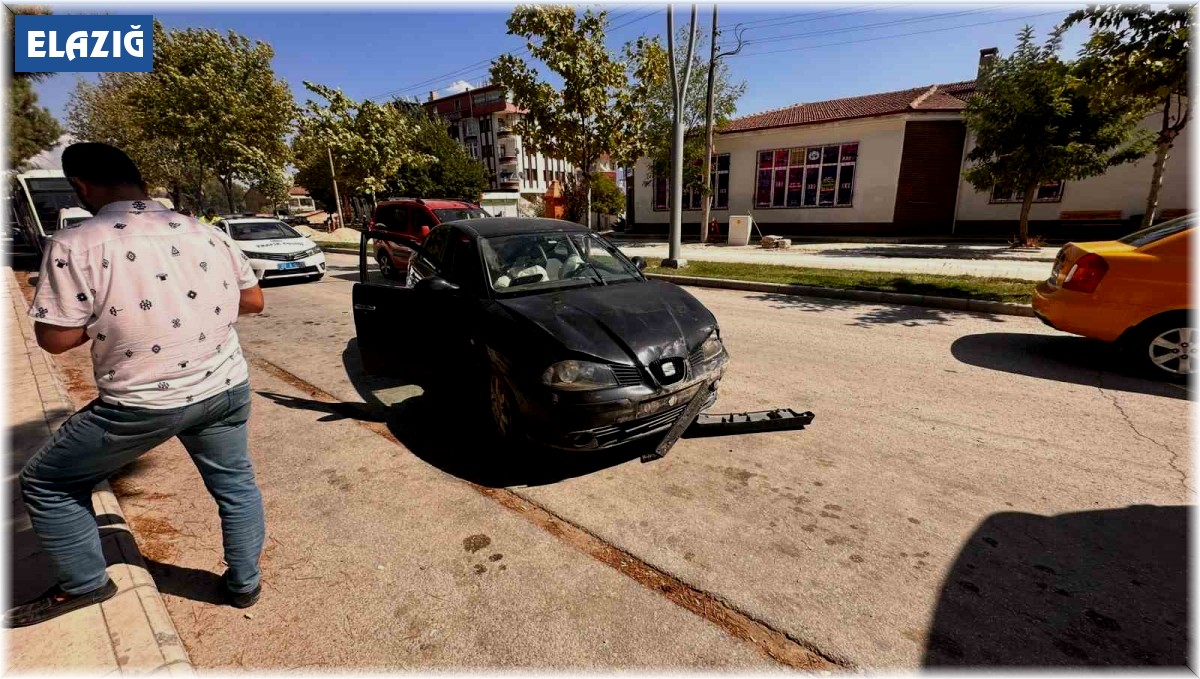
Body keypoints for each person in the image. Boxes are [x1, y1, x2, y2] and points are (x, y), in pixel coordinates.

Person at [5, 143, 267, 628]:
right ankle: (244, 584)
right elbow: (253, 301)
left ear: (81, 187)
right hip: (225, 386)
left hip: (142, 403)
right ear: (139, 179)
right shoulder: (205, 233)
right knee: (236, 485)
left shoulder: (76, 244)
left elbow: (55, 340)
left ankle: (84, 583)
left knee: (47, 481)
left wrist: (110, 314)